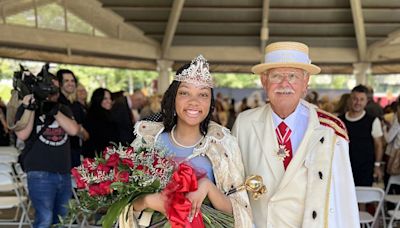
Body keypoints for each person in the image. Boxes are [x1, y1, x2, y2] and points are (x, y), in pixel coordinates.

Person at [232, 41, 359, 227]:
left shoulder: (330, 130)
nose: (284, 83)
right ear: (264, 81)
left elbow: (343, 197)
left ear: (306, 82)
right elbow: (233, 187)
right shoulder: (244, 123)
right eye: (276, 76)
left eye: (293, 76)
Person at [120, 55, 252, 227]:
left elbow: (240, 212)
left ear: (210, 102)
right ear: (173, 98)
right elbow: (121, 203)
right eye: (184, 93)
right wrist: (147, 201)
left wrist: (208, 187)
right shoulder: (149, 141)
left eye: (203, 94)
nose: (194, 102)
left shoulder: (223, 146)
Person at [14, 71, 80, 228]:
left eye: (56, 88)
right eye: (49, 87)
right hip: (39, 173)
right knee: (44, 217)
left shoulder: (63, 108)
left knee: (62, 219)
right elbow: (22, 134)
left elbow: (73, 130)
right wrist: (30, 108)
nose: (53, 92)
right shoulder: (27, 107)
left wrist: (54, 110)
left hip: (63, 173)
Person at [339, 84, 384, 186]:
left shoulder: (373, 121)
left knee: (363, 199)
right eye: (355, 99)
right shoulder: (339, 121)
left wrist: (377, 165)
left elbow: (378, 145)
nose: (358, 102)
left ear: (366, 101)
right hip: (343, 168)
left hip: (365, 168)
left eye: (361, 99)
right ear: (350, 99)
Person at [57, 69, 88, 167]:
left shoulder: (72, 104)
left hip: (73, 149)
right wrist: (80, 129)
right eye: (66, 81)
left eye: (72, 80)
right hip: (62, 151)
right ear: (59, 83)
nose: (70, 83)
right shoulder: (57, 102)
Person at [83, 88, 118, 158]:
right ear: (98, 99)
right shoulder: (93, 117)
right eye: (105, 98)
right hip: (98, 158)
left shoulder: (108, 114)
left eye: (110, 98)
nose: (109, 101)